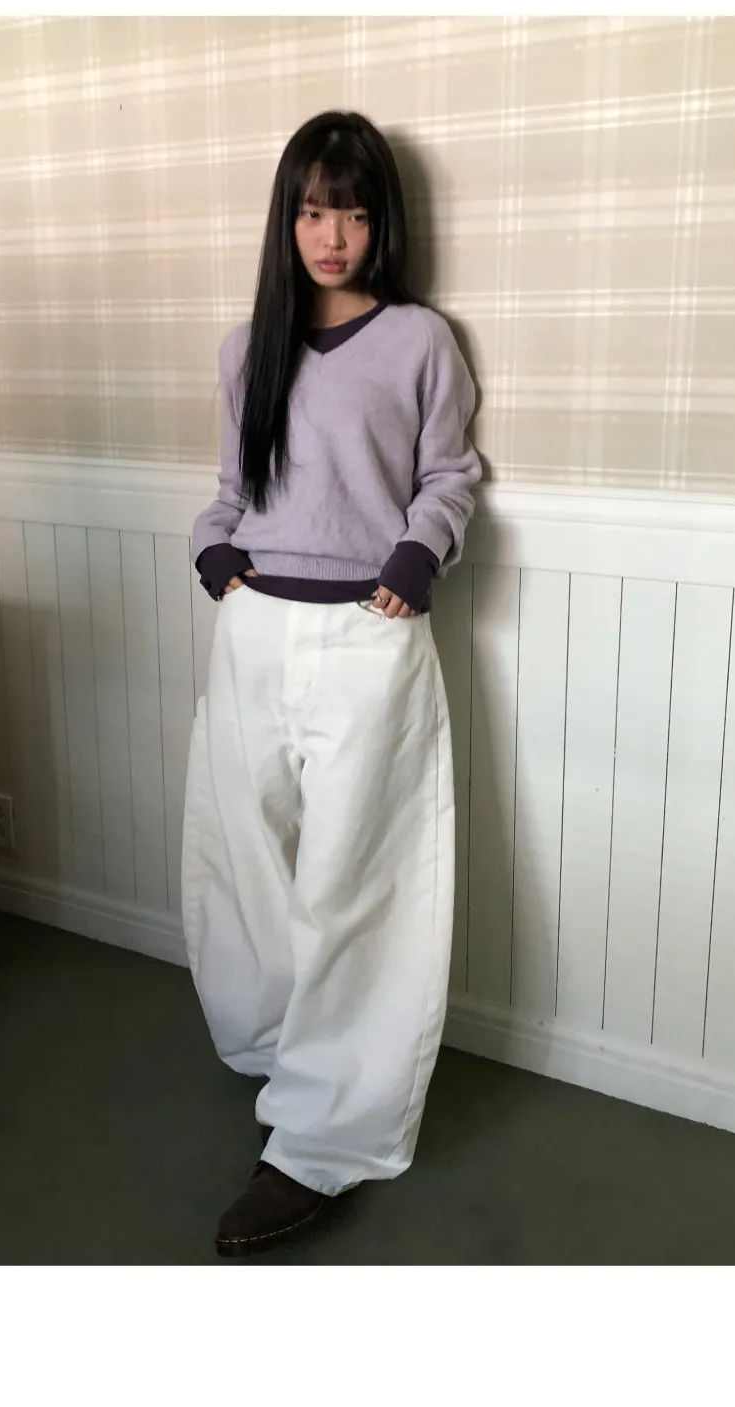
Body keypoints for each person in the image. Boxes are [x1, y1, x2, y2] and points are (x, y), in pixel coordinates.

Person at [184, 101, 480, 1250]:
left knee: (355, 880)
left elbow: (449, 475)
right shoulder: (246, 348)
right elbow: (228, 489)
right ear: (287, 218)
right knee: (245, 858)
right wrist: (215, 552)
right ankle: (274, 1050)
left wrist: (416, 555)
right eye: (312, 210)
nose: (332, 234)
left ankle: (321, 1139)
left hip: (370, 627)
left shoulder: (418, 341)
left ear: (379, 221)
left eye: (352, 211)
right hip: (253, 626)